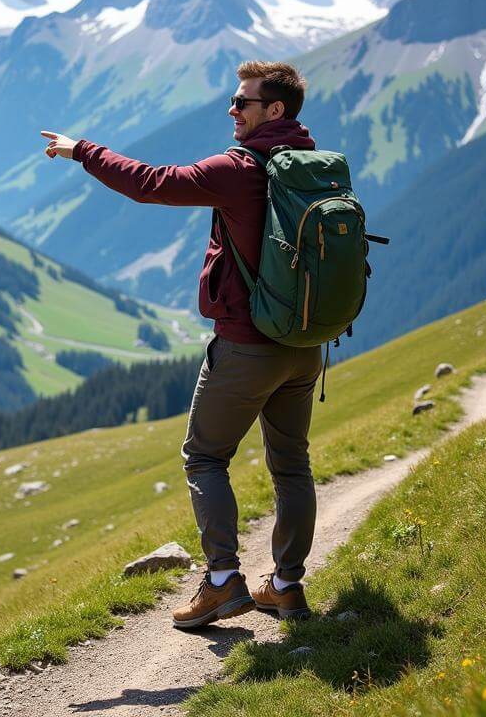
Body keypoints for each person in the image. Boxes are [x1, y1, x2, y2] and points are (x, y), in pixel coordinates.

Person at [42, 60, 322, 629]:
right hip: (306, 342)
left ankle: (223, 581)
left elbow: (153, 185)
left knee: (204, 456)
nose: (231, 109)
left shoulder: (241, 168)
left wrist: (82, 152)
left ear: (274, 110)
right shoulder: (314, 165)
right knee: (291, 464)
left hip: (247, 345)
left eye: (242, 102)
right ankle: (287, 587)